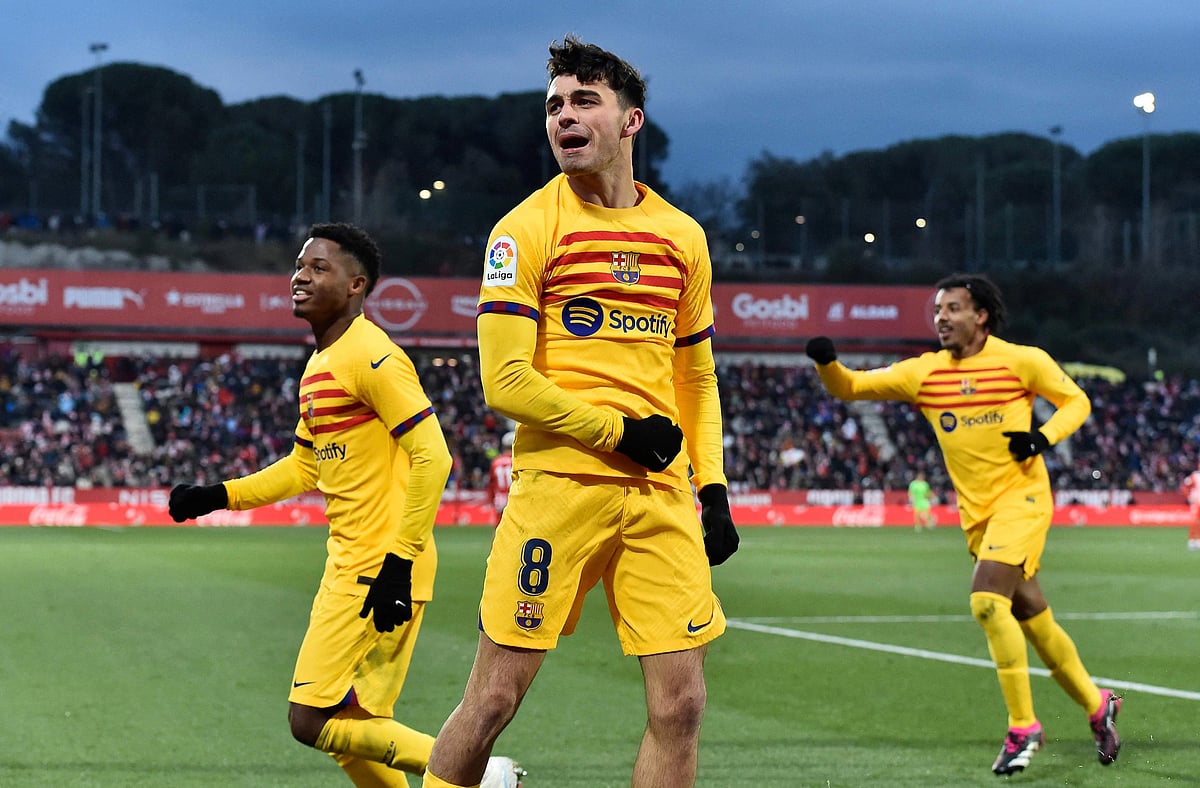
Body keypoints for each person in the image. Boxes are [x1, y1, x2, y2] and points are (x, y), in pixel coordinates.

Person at [421, 36, 739, 788]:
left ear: (630, 121)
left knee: (682, 704)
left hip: (660, 496)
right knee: (495, 697)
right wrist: (620, 431)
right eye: (554, 105)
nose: (564, 115)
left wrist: (715, 490)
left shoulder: (682, 236)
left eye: (583, 101)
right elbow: (503, 382)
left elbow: (696, 377)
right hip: (559, 489)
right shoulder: (524, 229)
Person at [167, 222, 522, 788]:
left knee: (310, 719)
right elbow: (305, 466)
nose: (300, 276)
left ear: (357, 285)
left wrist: (398, 563)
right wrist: (218, 496)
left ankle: (477, 775)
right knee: (353, 727)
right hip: (357, 563)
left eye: (318, 268)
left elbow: (435, 456)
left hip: (377, 567)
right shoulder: (321, 366)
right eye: (299, 265)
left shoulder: (371, 356)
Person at [805, 273, 1121, 776]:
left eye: (952, 308)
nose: (941, 318)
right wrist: (826, 362)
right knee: (1032, 616)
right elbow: (850, 387)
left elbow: (1076, 402)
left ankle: (1024, 727)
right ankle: (1096, 702)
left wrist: (1042, 438)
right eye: (936, 310)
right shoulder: (924, 373)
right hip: (978, 517)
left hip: (1024, 498)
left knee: (986, 602)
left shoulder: (1022, 360)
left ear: (981, 316)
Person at [485, 431, 514, 526]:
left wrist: (491, 499)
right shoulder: (517, 461)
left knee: (499, 530)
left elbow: (492, 484)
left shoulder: (496, 462)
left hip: (500, 499)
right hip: (514, 497)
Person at [1181, 463, 1200, 551]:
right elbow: (1184, 486)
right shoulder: (1194, 476)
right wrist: (1188, 497)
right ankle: (1192, 540)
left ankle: (1198, 541)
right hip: (1196, 503)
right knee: (1194, 521)